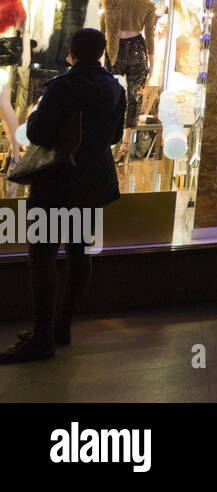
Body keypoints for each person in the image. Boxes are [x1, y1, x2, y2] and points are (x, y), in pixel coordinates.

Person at [0, 28, 125, 363]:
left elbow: (38, 132)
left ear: (71, 51)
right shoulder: (114, 88)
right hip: (90, 181)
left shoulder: (63, 86)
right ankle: (61, 326)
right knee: (78, 252)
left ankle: (43, 336)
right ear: (101, 52)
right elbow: (114, 136)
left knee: (42, 255)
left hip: (57, 181)